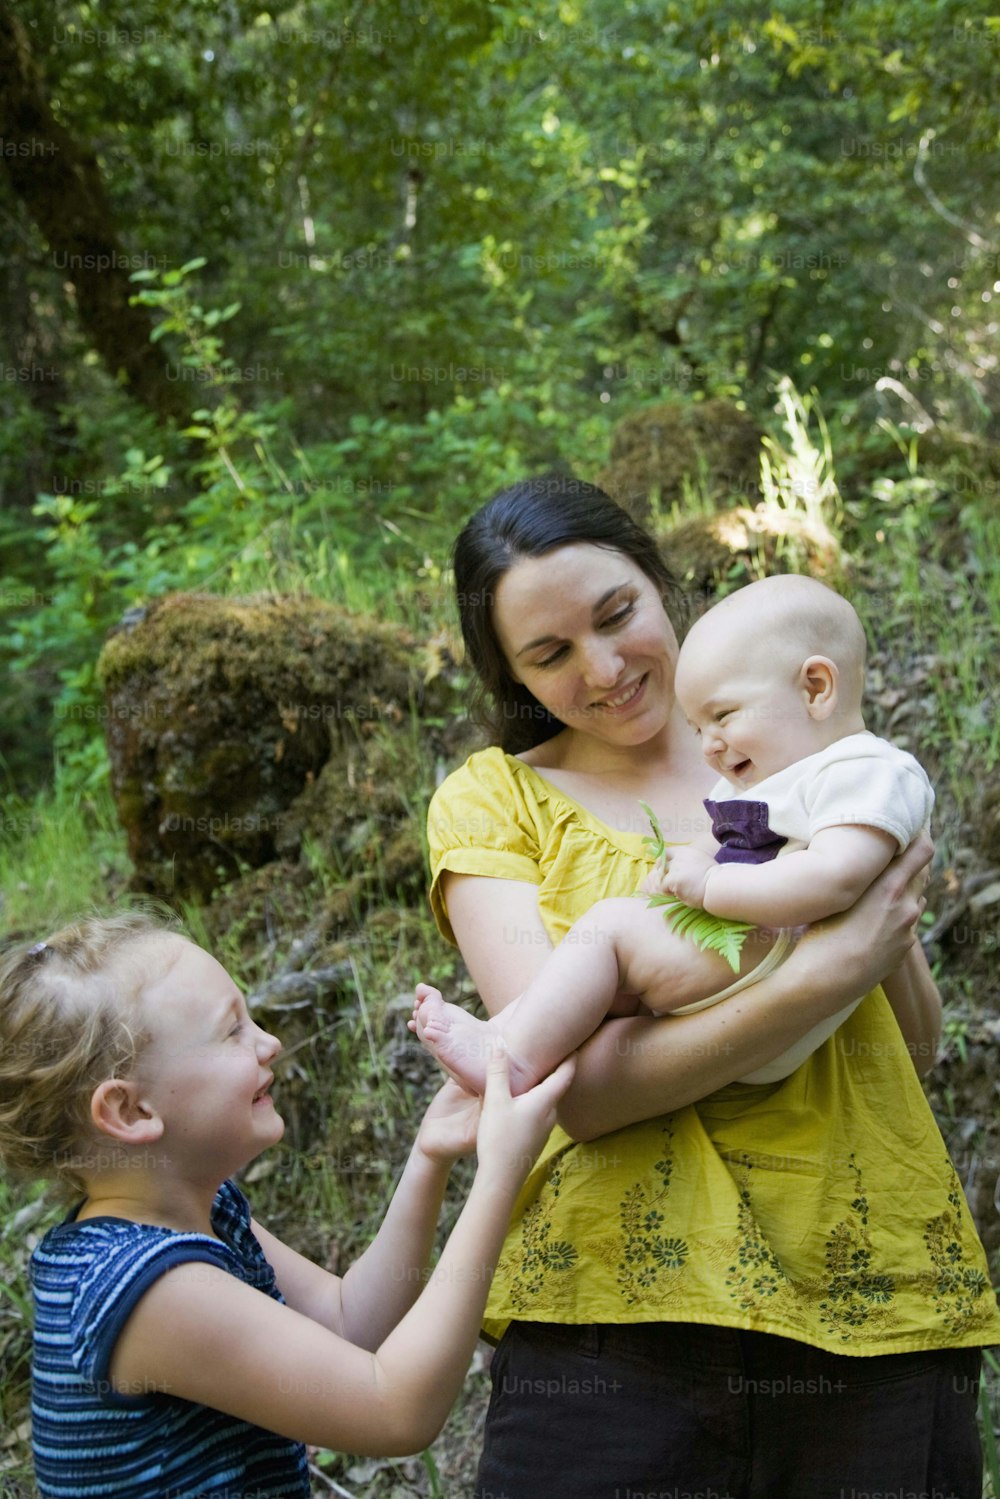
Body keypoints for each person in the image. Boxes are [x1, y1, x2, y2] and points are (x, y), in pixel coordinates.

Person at [424, 475, 999, 1499]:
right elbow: (574, 1093)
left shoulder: (806, 766)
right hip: (610, 1333)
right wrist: (825, 967)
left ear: (660, 581)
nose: (604, 669)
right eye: (550, 654)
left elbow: (908, 1052)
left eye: (618, 614)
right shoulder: (493, 799)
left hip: (870, 1299)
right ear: (509, 673)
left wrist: (868, 925)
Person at [0, 912, 572, 1499]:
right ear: (130, 1113)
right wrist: (500, 1175)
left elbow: (350, 1322)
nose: (269, 1042)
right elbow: (398, 1411)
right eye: (232, 1032)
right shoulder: (143, 1288)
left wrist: (429, 1157)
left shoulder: (201, 1214)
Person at [412, 573, 934, 1091]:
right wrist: (662, 886)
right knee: (614, 945)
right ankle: (509, 1036)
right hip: (756, 977)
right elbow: (718, 840)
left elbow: (836, 877)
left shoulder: (867, 771)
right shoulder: (771, 771)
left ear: (816, 687)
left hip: (777, 953)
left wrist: (708, 888)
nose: (710, 746)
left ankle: (516, 1061)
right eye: (697, 727)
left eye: (722, 716)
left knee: (611, 931)